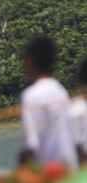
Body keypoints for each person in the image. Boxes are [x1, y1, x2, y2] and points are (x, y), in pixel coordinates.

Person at [18, 35, 78, 171]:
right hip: (69, 172)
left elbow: (30, 146)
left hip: (51, 175)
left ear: (29, 60)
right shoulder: (61, 91)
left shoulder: (31, 96)